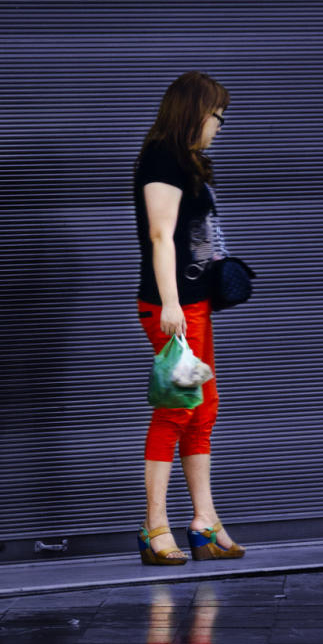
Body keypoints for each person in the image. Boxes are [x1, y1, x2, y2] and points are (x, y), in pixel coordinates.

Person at [133, 70, 246, 564]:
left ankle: (205, 522)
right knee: (177, 408)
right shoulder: (162, 158)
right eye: (216, 116)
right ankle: (155, 526)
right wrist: (172, 304)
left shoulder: (189, 161)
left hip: (193, 305)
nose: (219, 126)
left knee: (202, 409)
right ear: (194, 112)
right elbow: (161, 236)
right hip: (173, 309)